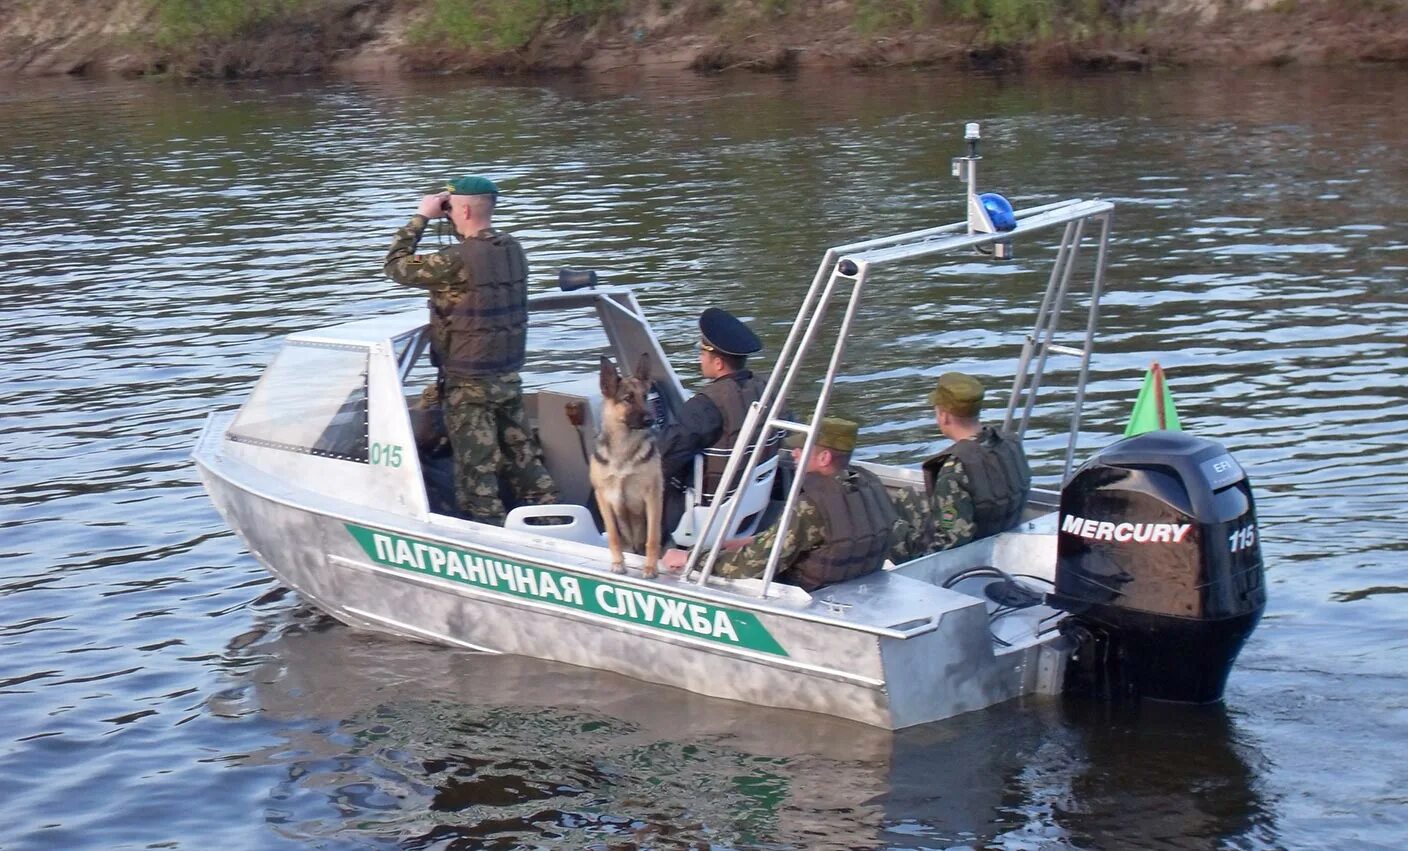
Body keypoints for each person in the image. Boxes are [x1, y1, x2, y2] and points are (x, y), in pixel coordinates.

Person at [383, 175, 557, 524]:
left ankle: (491, 539)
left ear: (461, 208)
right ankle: (555, 522)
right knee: (524, 458)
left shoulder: (454, 260)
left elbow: (397, 264)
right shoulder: (513, 249)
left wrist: (421, 218)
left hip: (468, 384)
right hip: (507, 376)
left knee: (477, 473)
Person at [665, 417, 898, 592]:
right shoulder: (869, 483)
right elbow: (812, 538)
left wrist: (692, 559)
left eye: (801, 449)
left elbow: (751, 565)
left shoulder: (811, 506)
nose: (794, 454)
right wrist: (747, 542)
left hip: (808, 596)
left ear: (824, 458)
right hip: (855, 584)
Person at [656, 307, 771, 537]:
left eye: (702, 353)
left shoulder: (706, 405)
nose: (700, 358)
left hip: (708, 515)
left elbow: (663, 458)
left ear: (718, 363)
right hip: (749, 504)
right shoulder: (765, 390)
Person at [892, 372, 1031, 555]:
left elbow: (950, 543)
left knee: (885, 517)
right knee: (906, 496)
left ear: (944, 416)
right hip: (1004, 537)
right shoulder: (1011, 444)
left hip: (968, 555)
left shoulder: (954, 470)